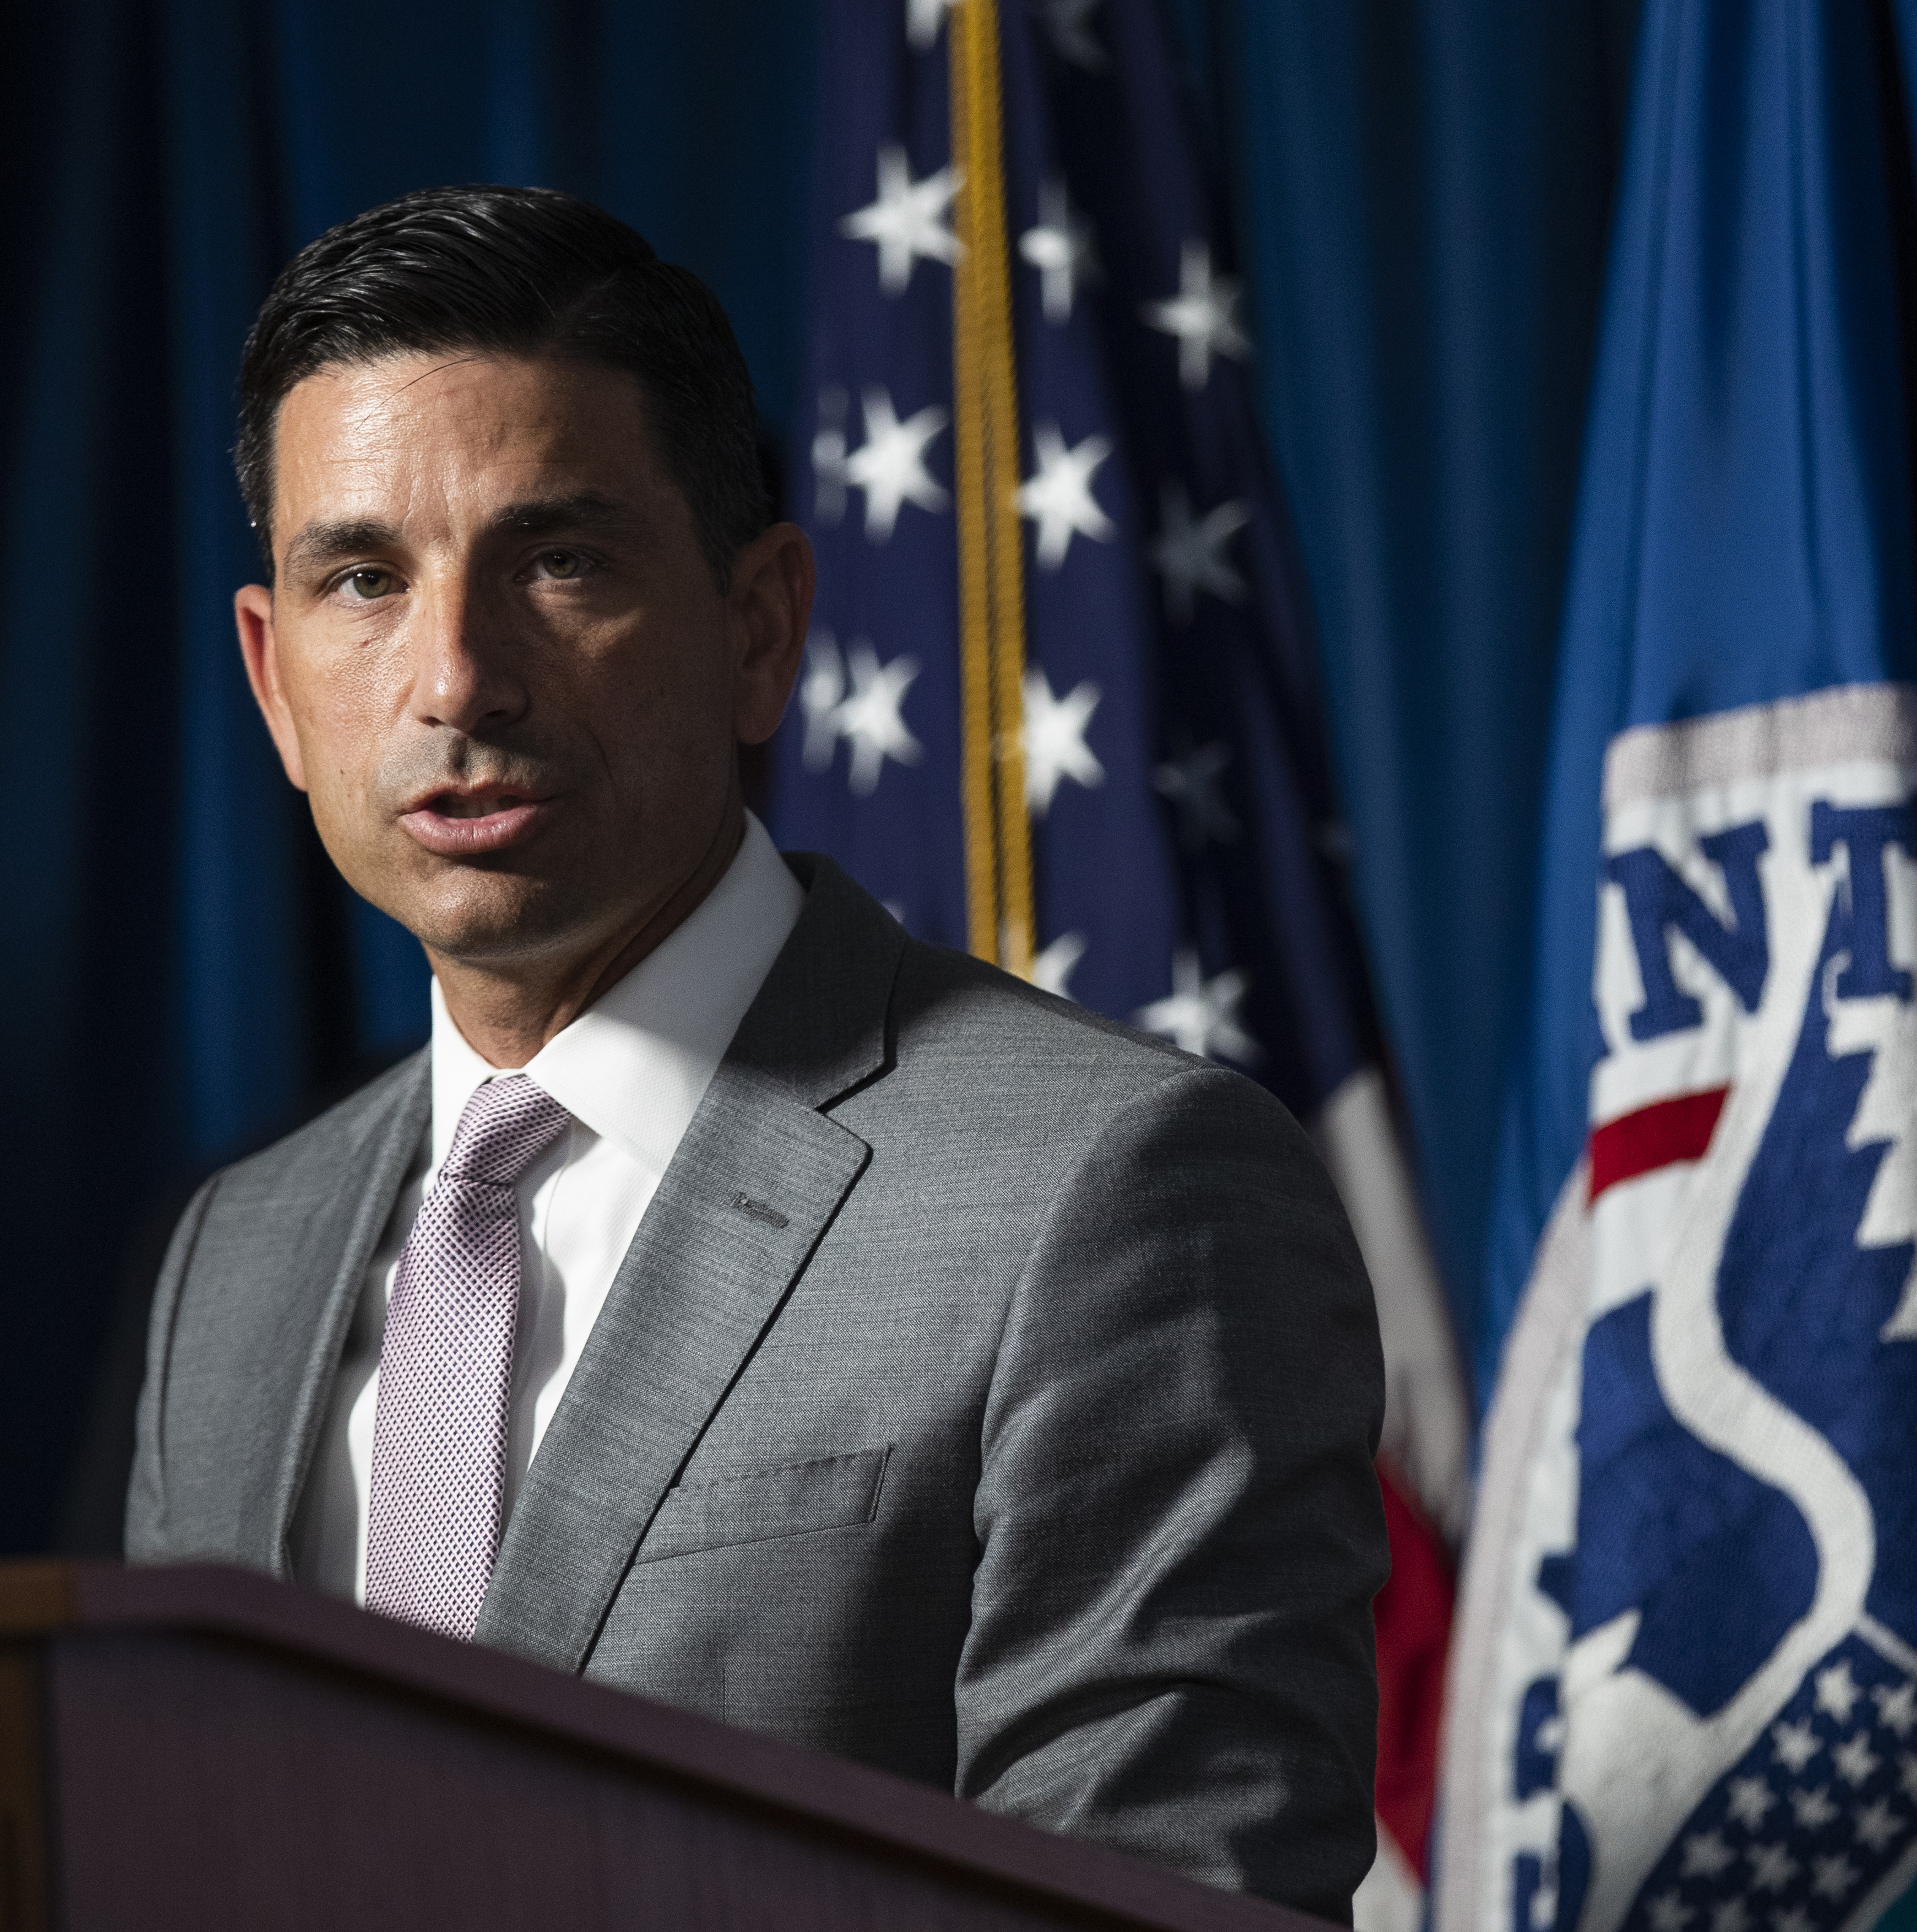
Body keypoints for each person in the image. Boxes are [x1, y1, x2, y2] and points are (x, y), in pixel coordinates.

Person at [124, 183, 1385, 1920]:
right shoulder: (238, 1255)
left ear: (761, 626)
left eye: (558, 562)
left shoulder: (1117, 1194)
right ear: (275, 682)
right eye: (364, 580)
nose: (457, 680)